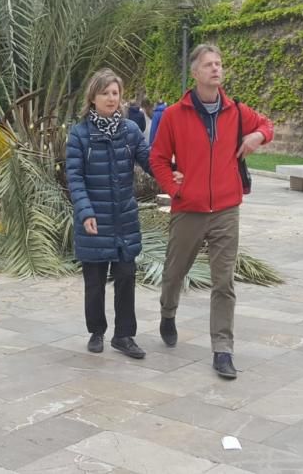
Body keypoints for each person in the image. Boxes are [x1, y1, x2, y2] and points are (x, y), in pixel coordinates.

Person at [150, 44, 273, 379]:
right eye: (208, 64)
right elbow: (158, 158)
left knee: (224, 281)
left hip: (226, 209)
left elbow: (267, 125)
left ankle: (223, 349)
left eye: (219, 64)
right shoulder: (175, 115)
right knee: (175, 272)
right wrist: (175, 188)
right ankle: (168, 312)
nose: (216, 69)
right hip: (188, 208)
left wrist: (257, 137)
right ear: (195, 72)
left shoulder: (236, 110)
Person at [65, 69, 153, 359]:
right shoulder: (79, 135)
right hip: (94, 219)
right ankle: (97, 331)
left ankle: (124, 335)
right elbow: (75, 177)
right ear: (93, 97)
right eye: (105, 93)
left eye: (115, 93)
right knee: (95, 280)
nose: (111, 98)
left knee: (127, 275)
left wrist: (175, 173)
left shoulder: (130, 131)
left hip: (123, 219)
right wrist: (85, 211)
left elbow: (150, 160)